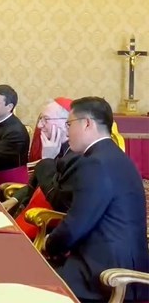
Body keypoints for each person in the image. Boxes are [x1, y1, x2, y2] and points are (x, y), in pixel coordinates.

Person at [45, 97, 148, 302]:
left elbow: (76, 225)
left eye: (69, 124)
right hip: (118, 258)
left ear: (87, 123)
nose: (66, 131)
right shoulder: (112, 155)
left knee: (34, 281)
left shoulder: (95, 163)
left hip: (107, 273)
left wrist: (49, 243)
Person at [3, 98, 75, 215]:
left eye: (45, 119)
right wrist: (14, 199)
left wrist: (47, 160)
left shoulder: (77, 155)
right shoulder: (55, 146)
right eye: (41, 119)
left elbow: (59, 200)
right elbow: (37, 183)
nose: (40, 125)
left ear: (66, 122)